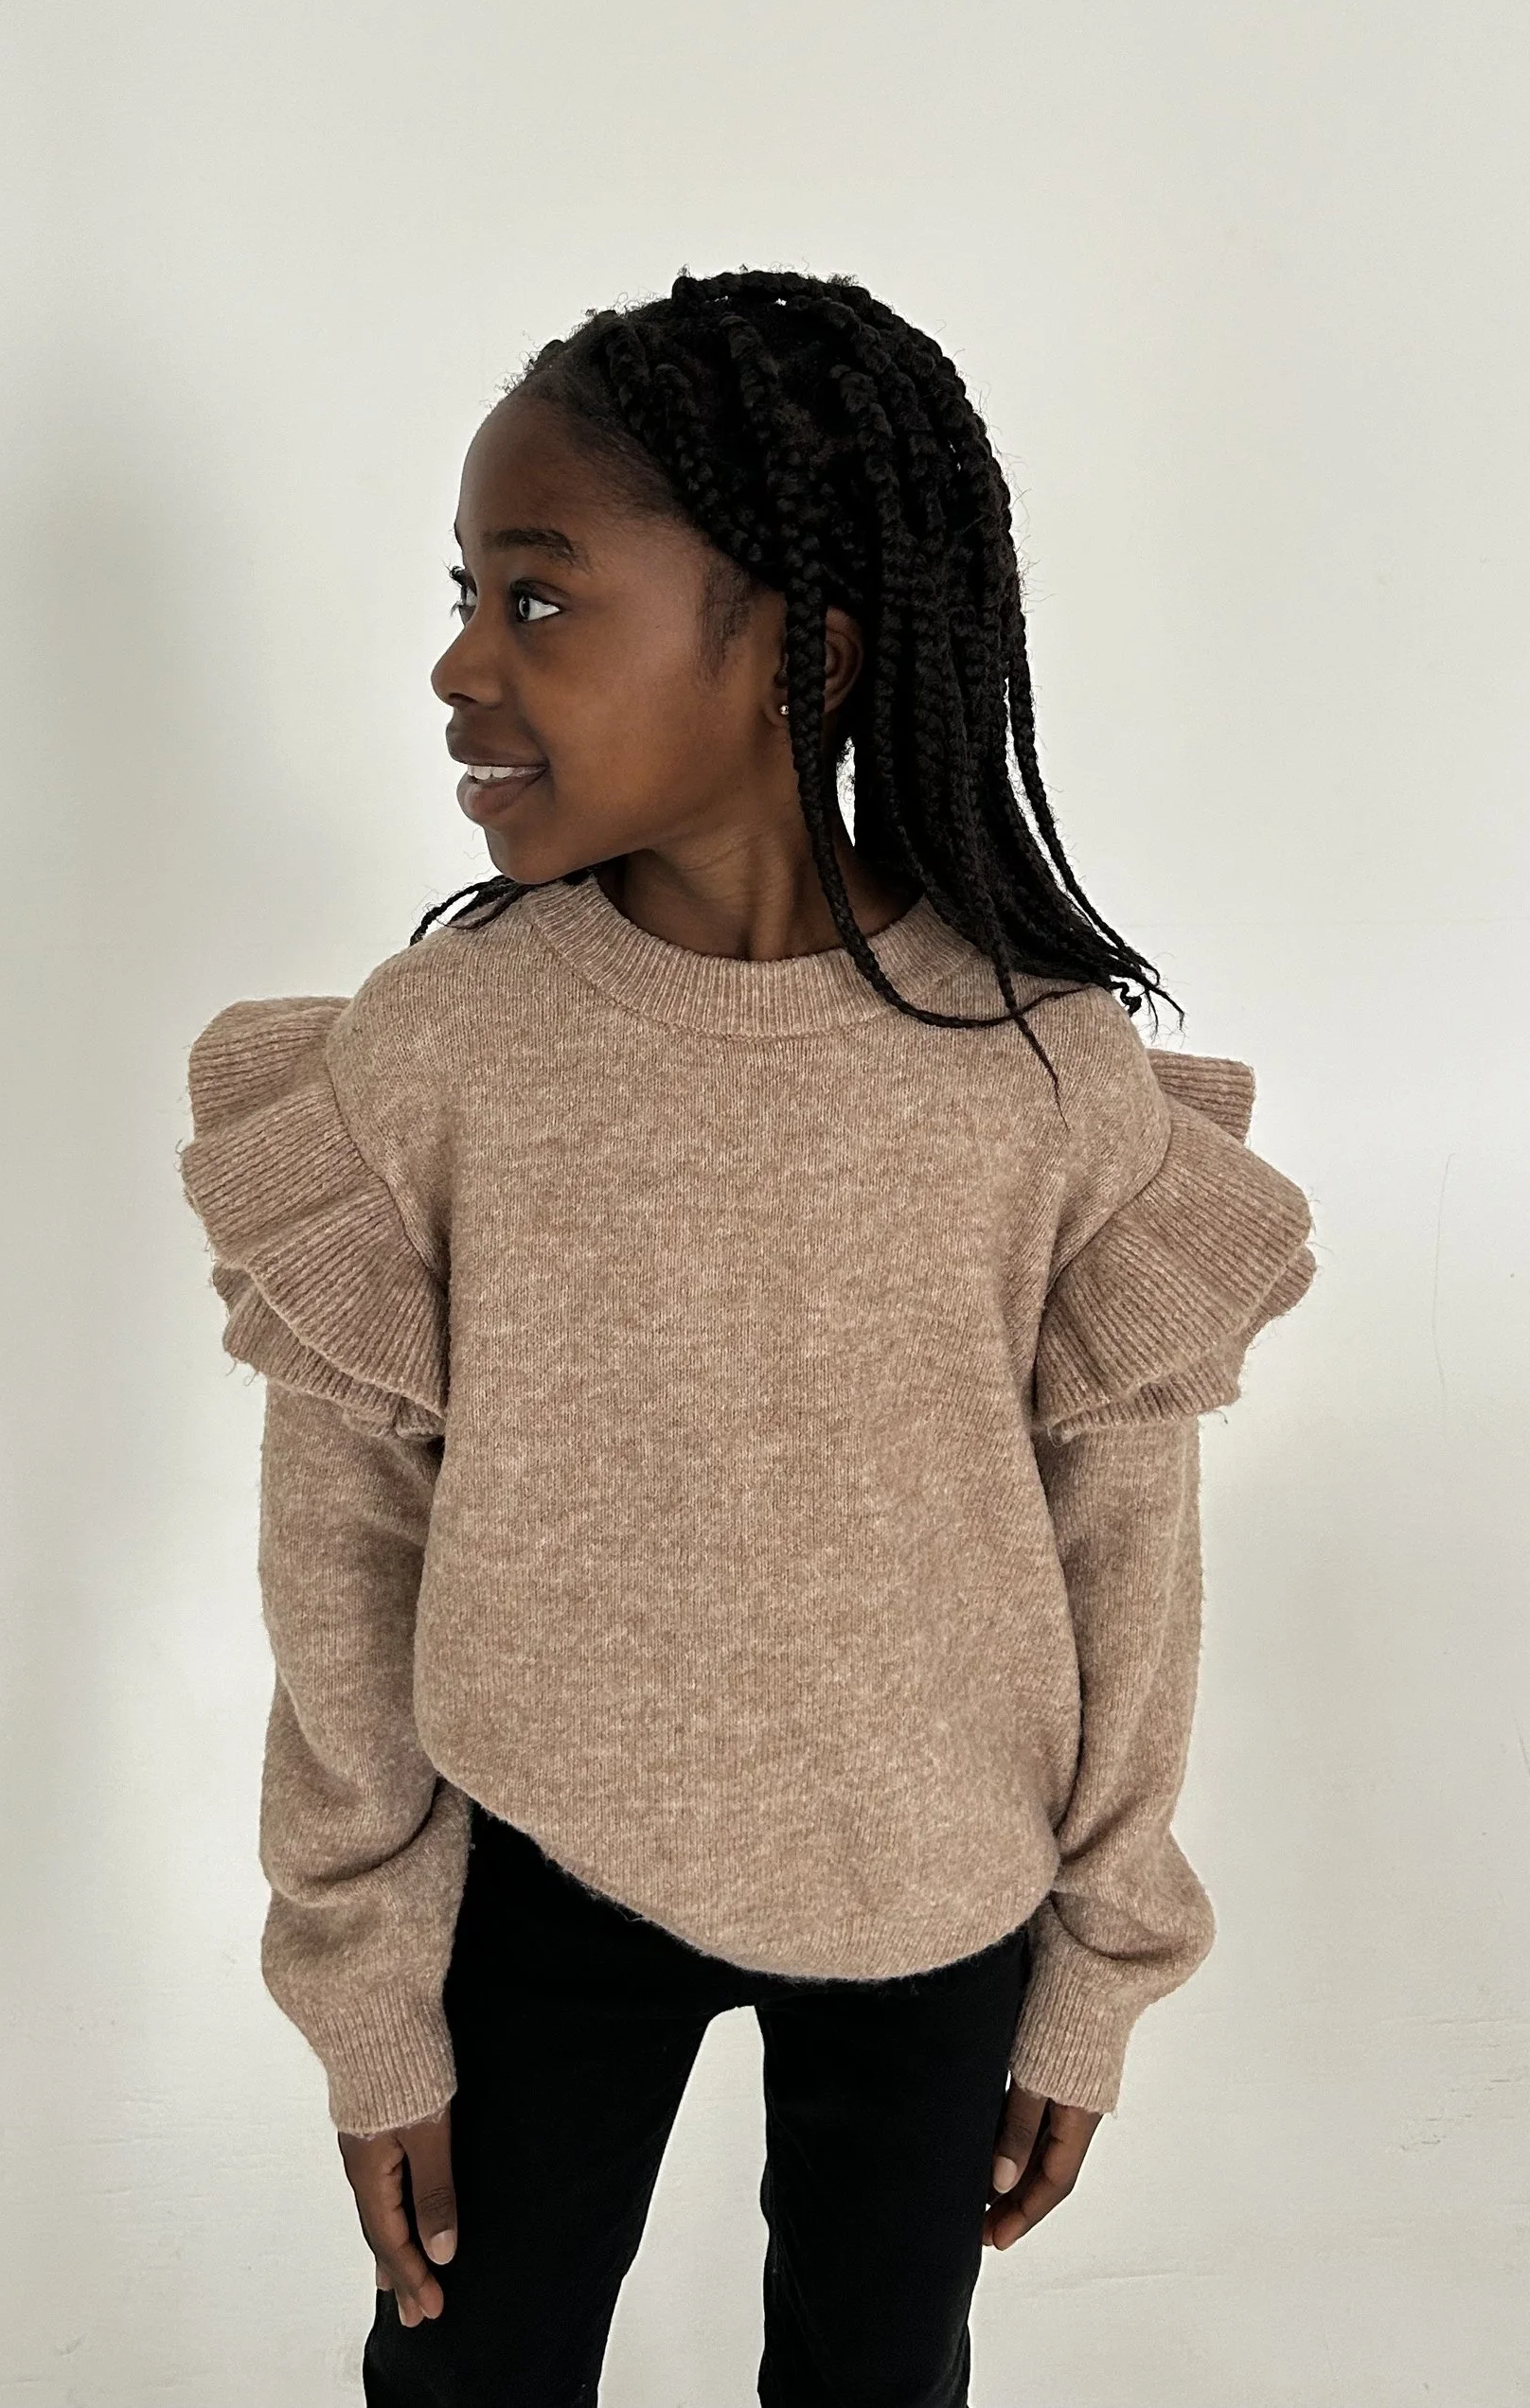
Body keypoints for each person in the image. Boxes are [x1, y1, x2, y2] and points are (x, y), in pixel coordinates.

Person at [177, 269, 1316, 2406]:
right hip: (534, 1871)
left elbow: (1125, 1560)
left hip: (935, 1897)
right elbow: (341, 1554)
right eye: (465, 594)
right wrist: (369, 1995)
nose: (459, 662)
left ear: (805, 648)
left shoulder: (1041, 1078)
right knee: (467, 2378)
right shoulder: (439, 1056)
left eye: (538, 599)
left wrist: (1095, 1966)